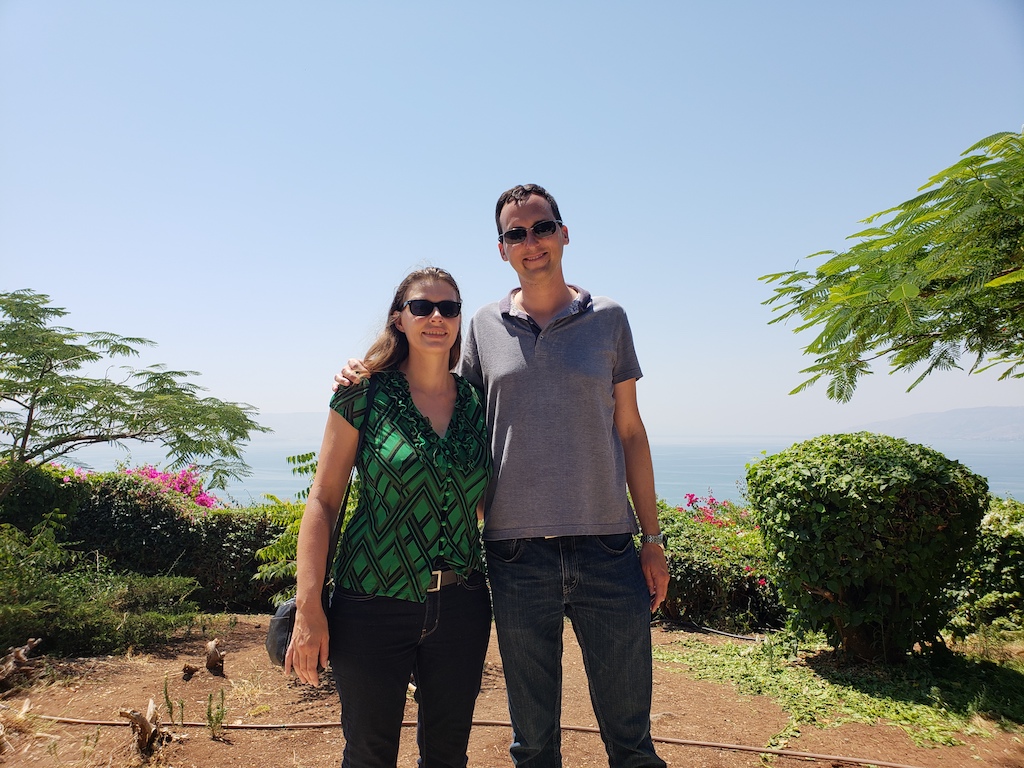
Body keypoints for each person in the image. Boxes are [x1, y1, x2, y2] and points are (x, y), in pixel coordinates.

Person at [338, 185, 668, 768]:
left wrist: (651, 539)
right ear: (501, 249)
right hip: (516, 558)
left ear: (564, 233)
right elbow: (441, 395)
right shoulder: (484, 326)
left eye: (541, 228)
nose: (531, 242)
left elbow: (631, 431)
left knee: (632, 740)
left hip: (608, 548)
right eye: (516, 234)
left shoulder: (610, 319)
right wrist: (368, 364)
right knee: (534, 743)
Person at [288, 267, 492, 768]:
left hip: (462, 605)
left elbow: (486, 502)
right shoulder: (363, 393)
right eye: (422, 307)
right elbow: (324, 501)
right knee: (369, 753)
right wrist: (308, 607)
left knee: (448, 755)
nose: (436, 317)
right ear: (399, 319)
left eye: (449, 307)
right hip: (371, 600)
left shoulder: (476, 403)